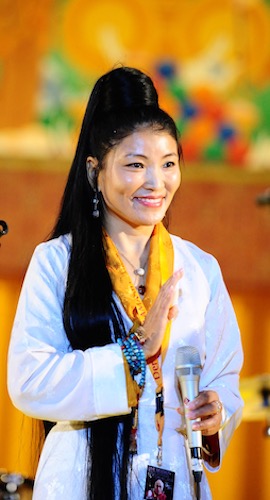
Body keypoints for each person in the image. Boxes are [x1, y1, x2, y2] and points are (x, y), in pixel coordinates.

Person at [7, 66, 243, 500]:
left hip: (173, 475)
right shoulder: (58, 262)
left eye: (168, 164)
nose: (156, 182)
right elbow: (30, 380)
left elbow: (224, 378)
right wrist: (136, 352)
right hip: (79, 479)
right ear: (96, 171)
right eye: (136, 165)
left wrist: (217, 411)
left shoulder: (200, 267)